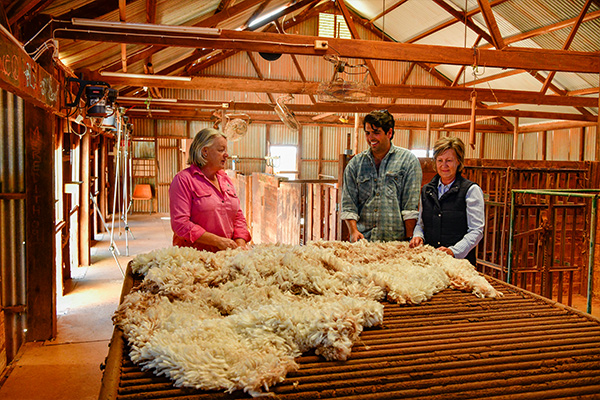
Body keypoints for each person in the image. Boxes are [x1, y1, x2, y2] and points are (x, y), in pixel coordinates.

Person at [341, 109, 422, 242]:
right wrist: (353, 231)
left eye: (376, 132)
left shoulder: (408, 161)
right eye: (367, 133)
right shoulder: (355, 165)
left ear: (389, 133)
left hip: (395, 241)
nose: (370, 138)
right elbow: (349, 203)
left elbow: (410, 206)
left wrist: (409, 238)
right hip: (364, 241)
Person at [169, 128, 251, 252]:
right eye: (221, 150)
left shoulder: (225, 179)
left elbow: (238, 216)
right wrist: (218, 241)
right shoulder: (184, 180)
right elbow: (180, 224)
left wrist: (240, 243)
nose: (226, 154)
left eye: (226, 150)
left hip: (225, 254)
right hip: (195, 258)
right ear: (205, 151)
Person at [409, 136, 485, 265]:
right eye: (440, 160)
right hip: (430, 261)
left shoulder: (471, 190)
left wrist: (453, 251)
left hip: (459, 264)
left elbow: (476, 230)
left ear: (458, 162)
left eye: (449, 160)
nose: (444, 165)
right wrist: (418, 236)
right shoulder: (427, 190)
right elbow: (420, 224)